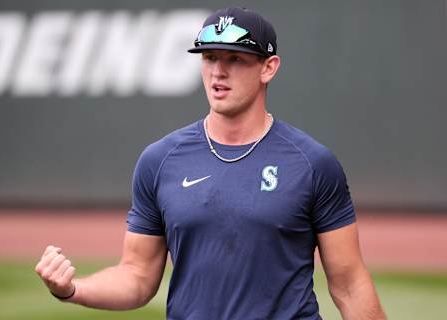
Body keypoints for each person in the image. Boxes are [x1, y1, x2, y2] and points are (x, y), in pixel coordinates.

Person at [35, 7, 385, 319]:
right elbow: (137, 276)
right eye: (209, 58)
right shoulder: (159, 161)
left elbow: (350, 284)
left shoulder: (312, 163)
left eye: (235, 59)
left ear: (268, 68)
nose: (218, 72)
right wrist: (72, 289)